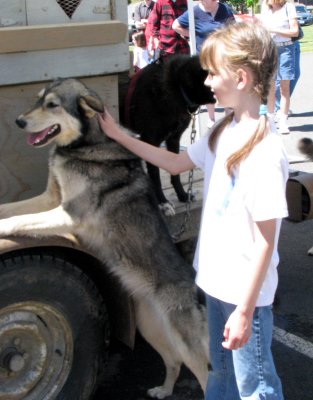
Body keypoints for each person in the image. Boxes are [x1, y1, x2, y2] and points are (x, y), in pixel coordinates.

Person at [98, 21, 288, 399]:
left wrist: (246, 311)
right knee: (220, 376)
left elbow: (266, 242)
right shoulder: (222, 131)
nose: (208, 82)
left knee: (256, 386)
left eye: (213, 73)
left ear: (240, 77)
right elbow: (174, 164)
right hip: (215, 286)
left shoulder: (265, 153)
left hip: (241, 295)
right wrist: (120, 136)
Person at [172, 0, 235, 128]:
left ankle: (229, 116)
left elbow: (234, 27)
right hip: (205, 56)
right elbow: (175, 25)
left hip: (224, 55)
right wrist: (191, 35)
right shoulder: (194, 11)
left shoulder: (224, 9)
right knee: (209, 87)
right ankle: (211, 118)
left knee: (227, 84)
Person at [260, 0, 299, 135]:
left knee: (284, 88)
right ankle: (270, 121)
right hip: (269, 48)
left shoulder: (288, 7)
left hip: (286, 49)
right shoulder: (265, 8)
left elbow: (295, 31)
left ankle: (282, 121)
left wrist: (274, 30)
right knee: (270, 87)